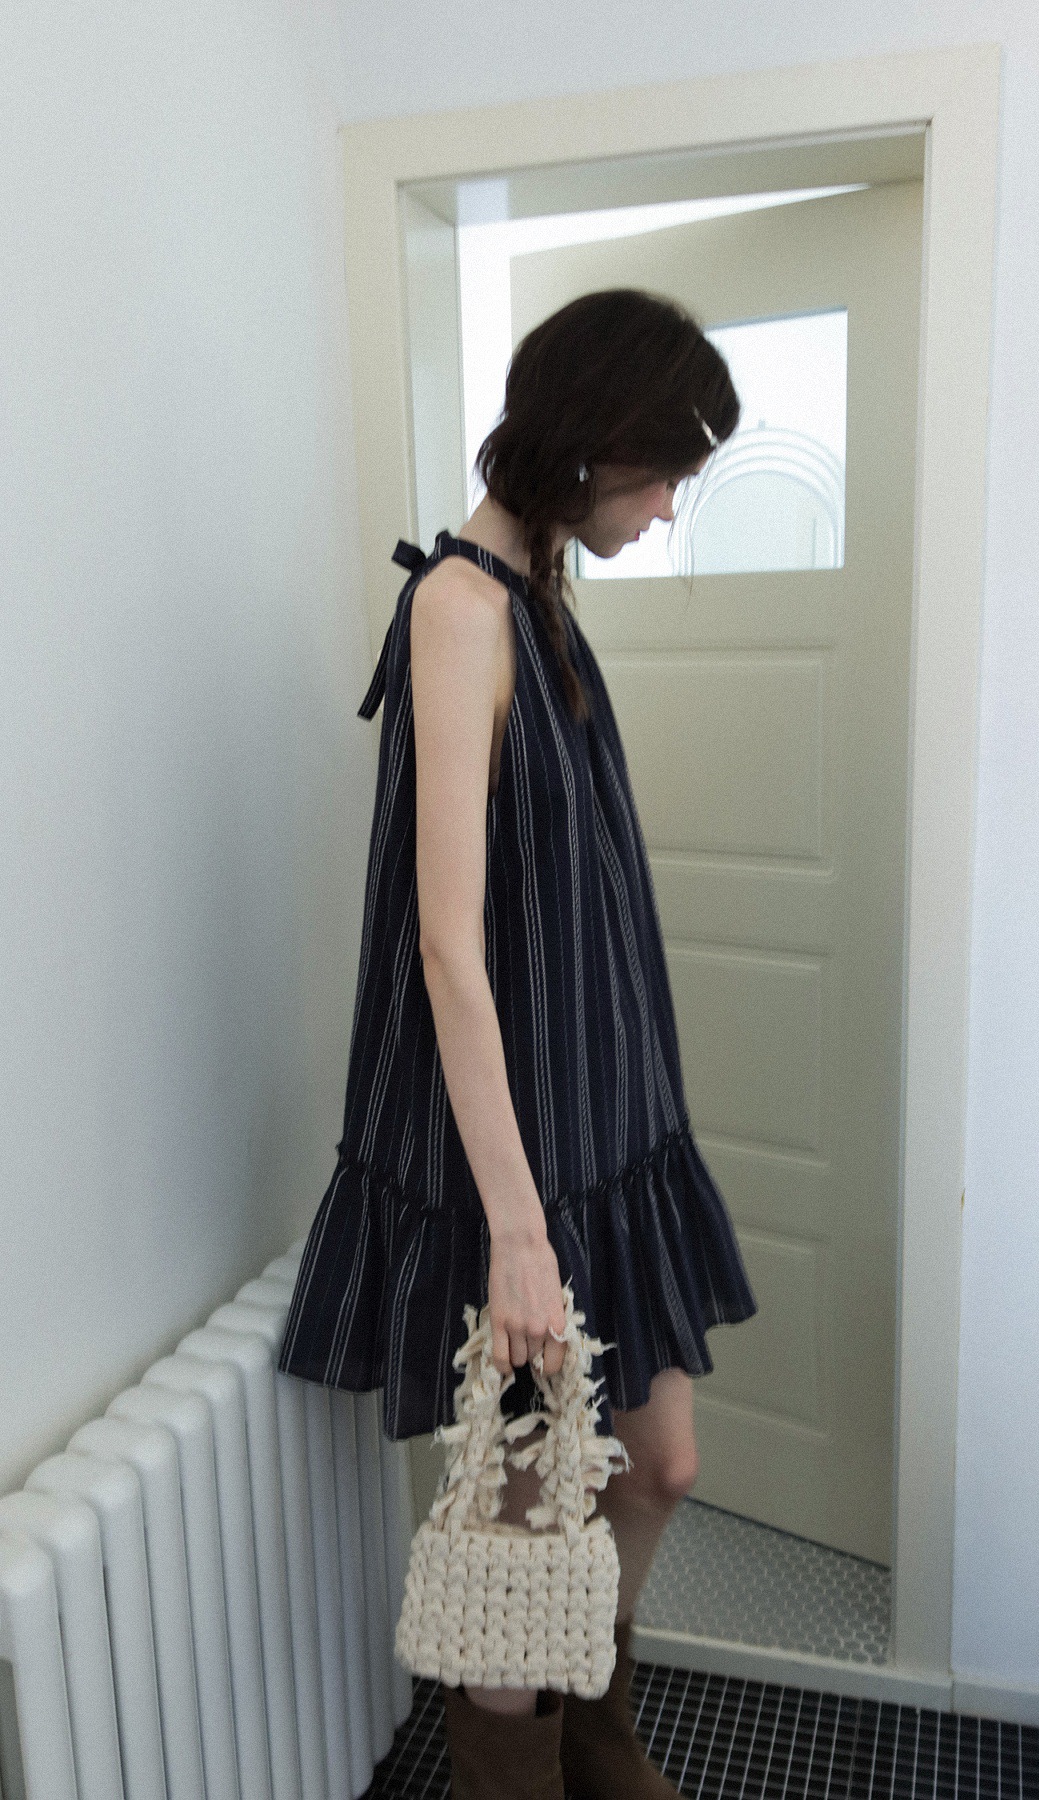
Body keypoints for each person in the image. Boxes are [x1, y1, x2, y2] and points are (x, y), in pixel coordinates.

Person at [278, 286, 758, 1799]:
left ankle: (596, 1730)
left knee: (660, 1465)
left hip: (612, 1118)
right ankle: (521, 1772)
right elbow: (447, 942)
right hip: (523, 1154)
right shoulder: (461, 606)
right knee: (520, 1519)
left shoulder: (540, 587)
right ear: (595, 443)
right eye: (666, 473)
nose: (669, 509)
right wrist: (517, 1231)